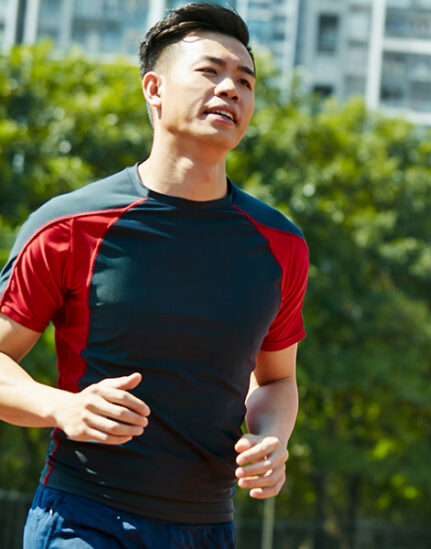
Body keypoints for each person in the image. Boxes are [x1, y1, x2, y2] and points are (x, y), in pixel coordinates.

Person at [0, 4, 308, 547]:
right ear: (154, 88)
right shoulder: (70, 225)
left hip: (212, 527)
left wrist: (271, 437)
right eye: (210, 71)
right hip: (86, 518)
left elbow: (278, 379)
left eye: (245, 80)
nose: (231, 89)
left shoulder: (280, 244)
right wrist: (61, 407)